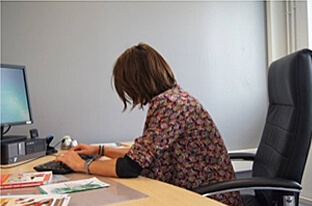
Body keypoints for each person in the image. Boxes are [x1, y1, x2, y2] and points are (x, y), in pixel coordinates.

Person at [56, 43, 243, 206]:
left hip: (206, 199)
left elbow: (130, 166)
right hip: (193, 191)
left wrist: (81, 166)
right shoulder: (173, 98)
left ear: (136, 81)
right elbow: (142, 155)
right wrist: (98, 150)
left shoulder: (170, 104)